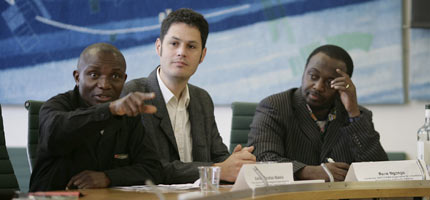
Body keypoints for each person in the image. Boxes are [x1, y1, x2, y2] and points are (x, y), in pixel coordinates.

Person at [122, 8, 256, 184]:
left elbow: (218, 156)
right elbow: (151, 167)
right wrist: (218, 169)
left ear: (202, 55)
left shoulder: (202, 99)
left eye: (191, 46)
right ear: (159, 47)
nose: (181, 52)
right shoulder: (134, 94)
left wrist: (237, 160)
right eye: (174, 44)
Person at [29, 43, 162, 191]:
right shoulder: (56, 106)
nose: (104, 85)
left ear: (124, 80)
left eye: (115, 76)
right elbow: (54, 134)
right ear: (77, 77)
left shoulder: (128, 116)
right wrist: (109, 110)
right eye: (94, 75)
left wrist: (108, 177)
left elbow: (153, 170)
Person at [248, 44, 388, 182]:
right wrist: (308, 171)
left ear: (343, 84)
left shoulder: (357, 115)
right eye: (313, 76)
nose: (318, 86)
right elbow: (262, 158)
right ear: (304, 72)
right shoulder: (275, 106)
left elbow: (378, 169)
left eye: (330, 82)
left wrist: (353, 113)